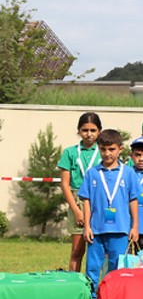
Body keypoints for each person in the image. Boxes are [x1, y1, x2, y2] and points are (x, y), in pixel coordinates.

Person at [78, 129, 141, 299]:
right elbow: (86, 201)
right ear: (99, 148)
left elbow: (133, 200)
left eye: (111, 149)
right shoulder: (92, 173)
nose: (107, 153)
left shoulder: (128, 173)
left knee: (117, 267)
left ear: (120, 149)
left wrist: (135, 226)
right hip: (96, 230)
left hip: (120, 229)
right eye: (103, 149)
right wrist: (87, 226)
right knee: (92, 267)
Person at [58, 112, 102, 272]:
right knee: (77, 250)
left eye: (93, 130)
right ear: (79, 131)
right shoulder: (70, 152)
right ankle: (74, 284)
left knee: (100, 250)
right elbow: (65, 184)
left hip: (100, 200)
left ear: (99, 131)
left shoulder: (104, 151)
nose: (89, 134)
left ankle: (99, 287)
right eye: (85, 130)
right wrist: (76, 210)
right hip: (78, 200)